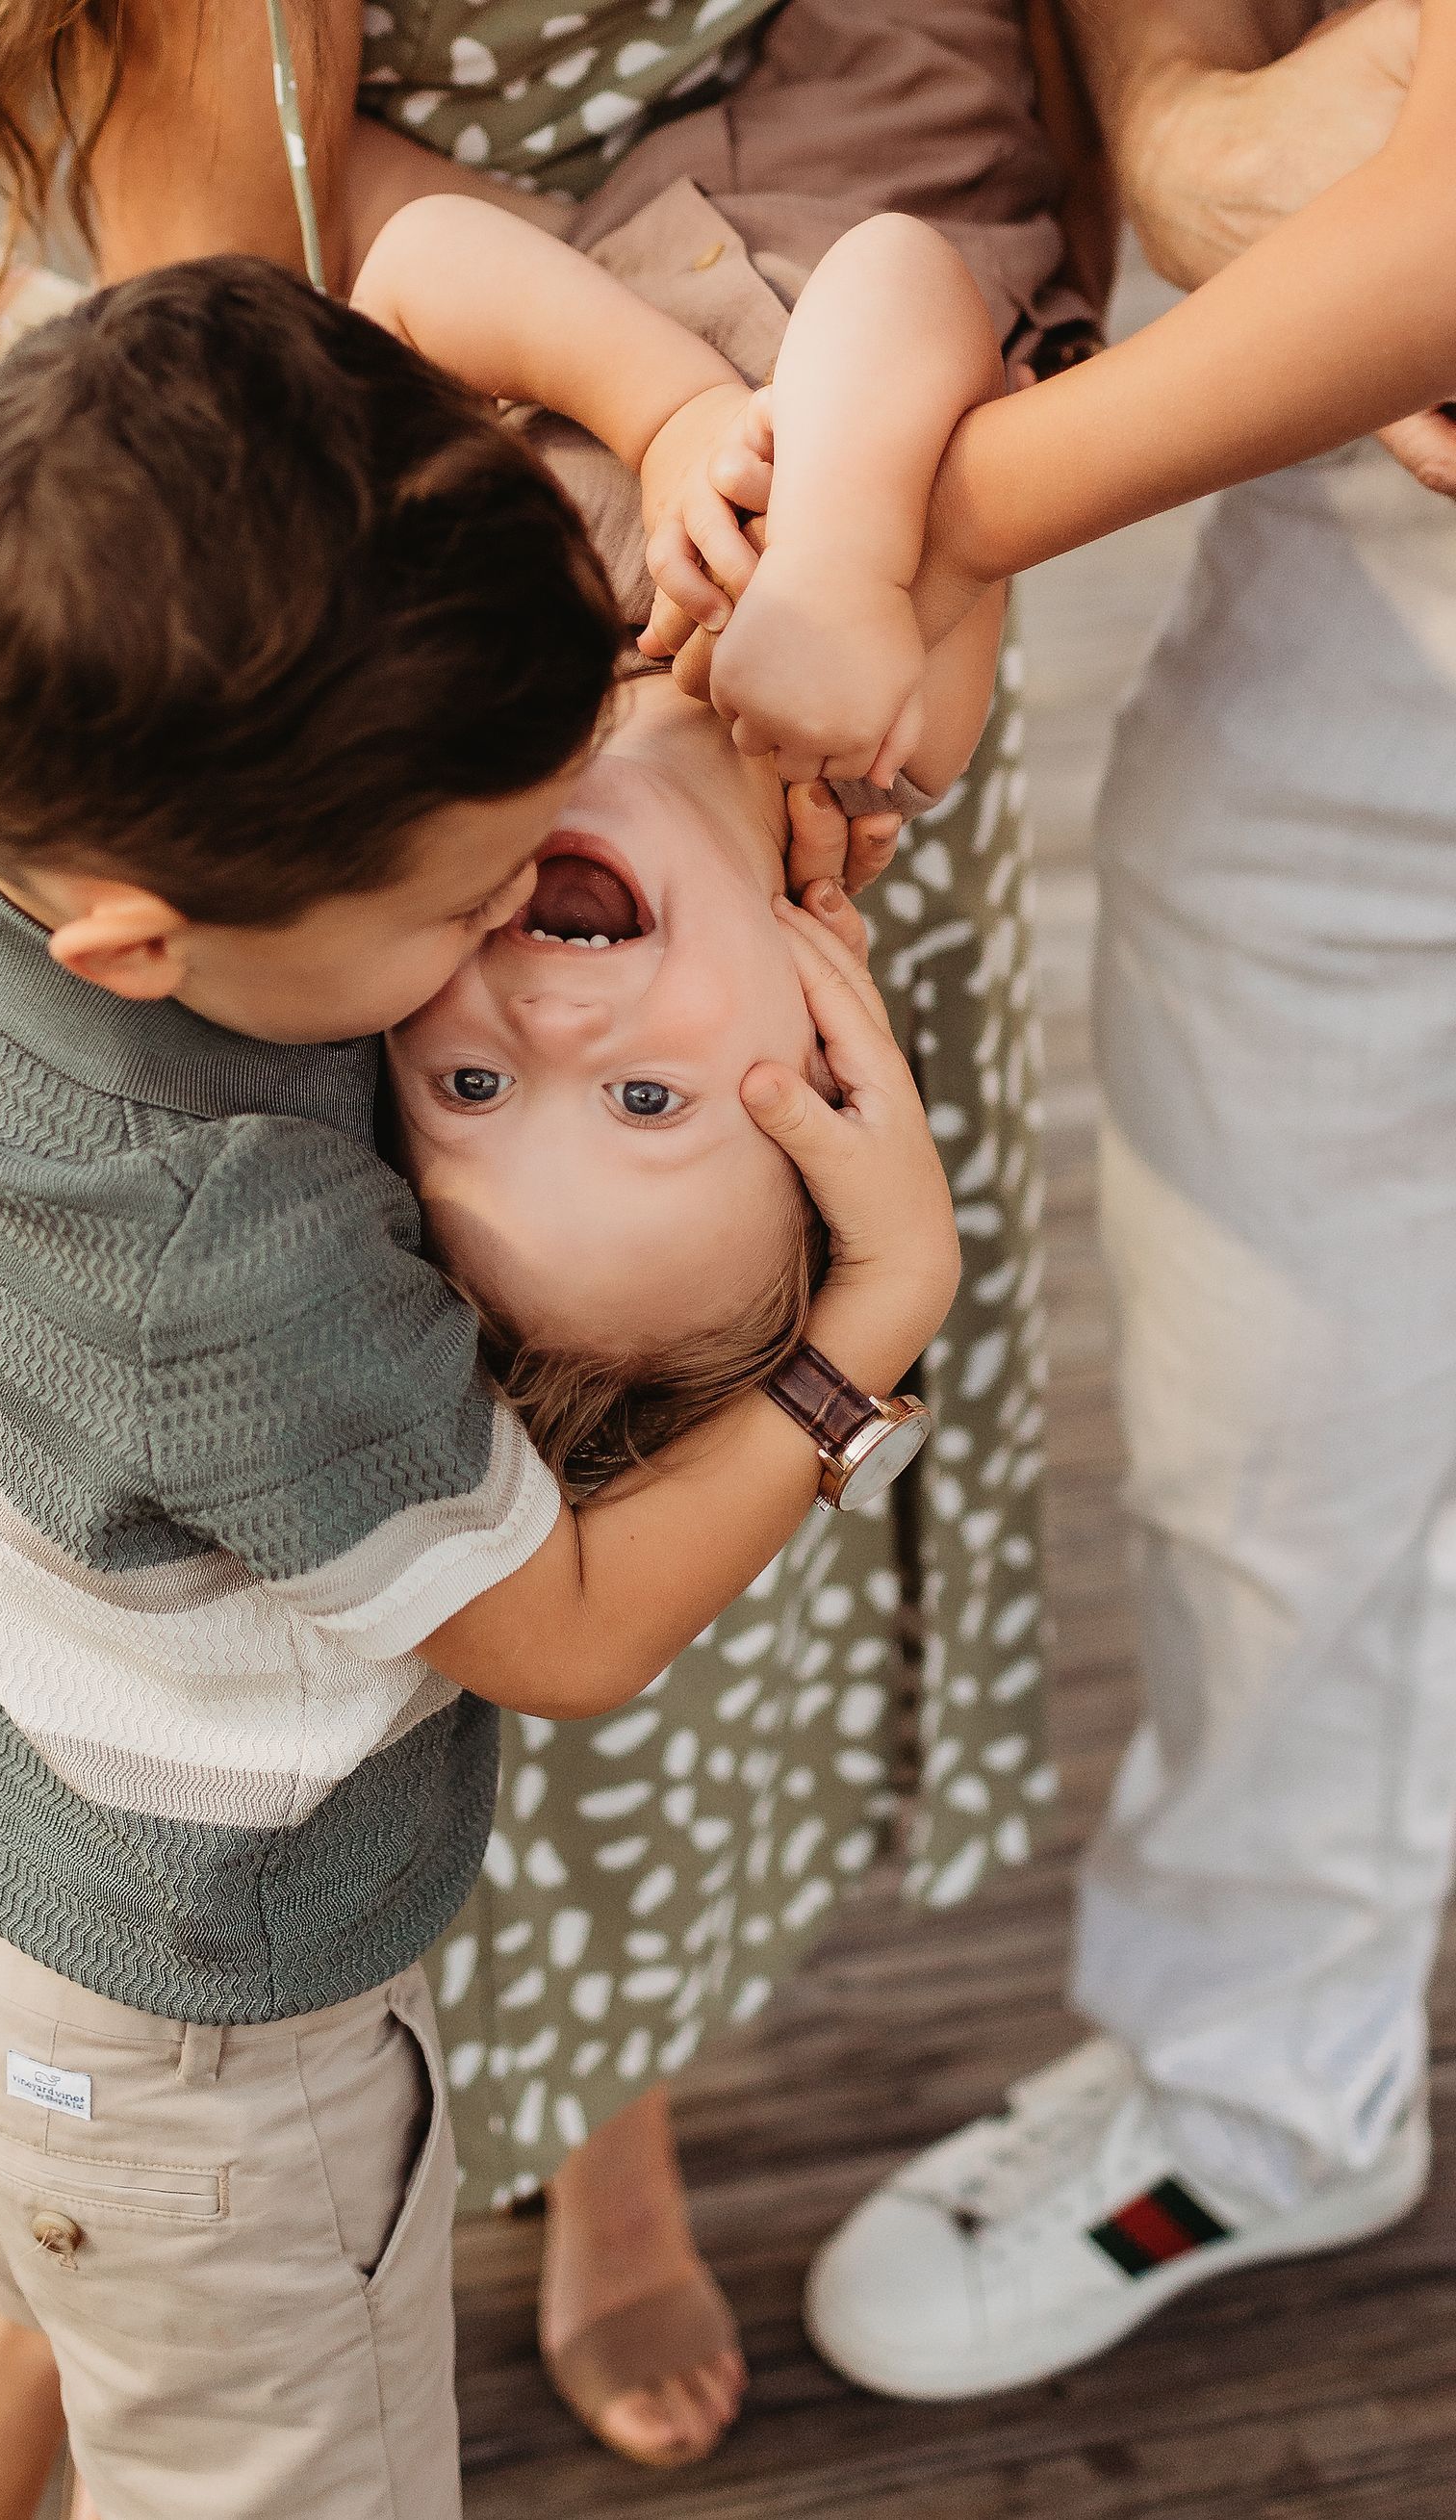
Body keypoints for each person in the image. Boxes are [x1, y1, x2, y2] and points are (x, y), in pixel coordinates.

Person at [0, 0, 1100, 2470]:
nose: (508, 935)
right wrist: (875, 1319)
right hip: (215, 2035)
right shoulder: (252, 1258)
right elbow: (566, 1634)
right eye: (447, 909)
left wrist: (652, 435)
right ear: (150, 924)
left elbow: (366, 284)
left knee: (3, 2298)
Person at [805, 0, 1456, 2398]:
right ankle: (1273, 2082)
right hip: (1376, 596)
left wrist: (905, 516)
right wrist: (1189, 118)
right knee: (1261, 1420)